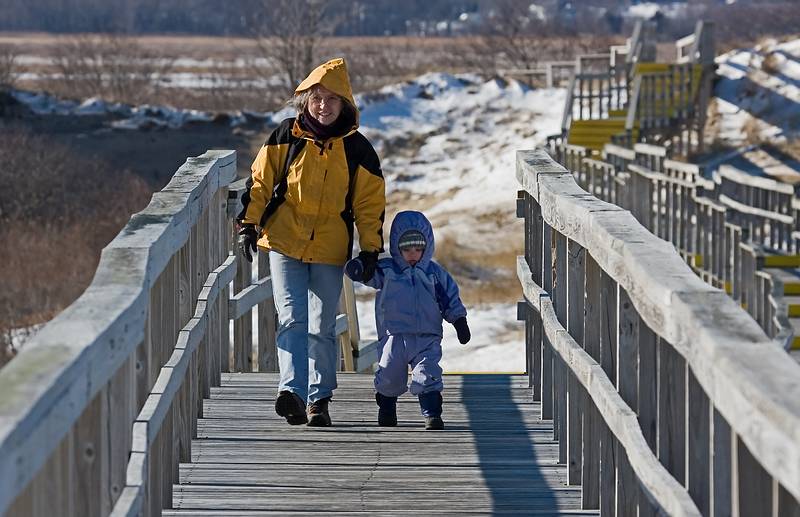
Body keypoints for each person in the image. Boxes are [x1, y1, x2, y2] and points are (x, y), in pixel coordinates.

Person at [237, 58, 386, 427]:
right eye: (317, 97)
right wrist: (248, 225)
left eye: (332, 99)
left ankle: (320, 399)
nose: (323, 105)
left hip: (330, 248)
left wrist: (370, 250)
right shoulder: (286, 136)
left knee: (321, 325)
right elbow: (259, 182)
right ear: (305, 100)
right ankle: (293, 394)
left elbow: (369, 206)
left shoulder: (358, 150)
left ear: (345, 104)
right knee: (291, 318)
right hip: (285, 240)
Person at [344, 210, 470, 430]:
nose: (413, 254)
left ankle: (432, 414)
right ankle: (386, 409)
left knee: (427, 374)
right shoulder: (387, 271)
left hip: (427, 337)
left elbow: (450, 298)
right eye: (407, 249)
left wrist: (459, 321)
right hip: (394, 335)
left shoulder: (435, 274)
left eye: (418, 249)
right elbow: (369, 276)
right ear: (397, 248)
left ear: (427, 247)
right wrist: (359, 269)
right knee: (389, 376)